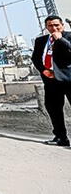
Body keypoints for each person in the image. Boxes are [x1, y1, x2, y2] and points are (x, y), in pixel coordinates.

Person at [31, 15, 71, 147]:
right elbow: (36, 58)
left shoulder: (69, 37)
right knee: (54, 109)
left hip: (69, 79)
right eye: (50, 26)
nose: (53, 28)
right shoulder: (41, 40)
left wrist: (61, 40)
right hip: (51, 81)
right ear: (46, 27)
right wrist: (43, 70)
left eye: (56, 25)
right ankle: (60, 137)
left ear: (62, 25)